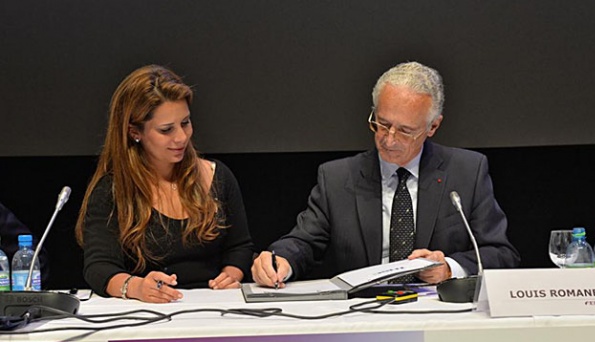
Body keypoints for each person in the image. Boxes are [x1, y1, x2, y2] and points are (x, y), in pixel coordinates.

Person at [252, 61, 519, 287]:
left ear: (433, 126)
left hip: (437, 312)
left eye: (405, 130)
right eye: (382, 124)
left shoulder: (467, 172)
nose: (389, 140)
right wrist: (279, 261)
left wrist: (449, 268)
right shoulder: (337, 178)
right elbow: (303, 243)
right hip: (362, 315)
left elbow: (501, 253)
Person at [76, 65, 253, 303]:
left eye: (186, 123)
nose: (181, 137)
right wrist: (137, 287)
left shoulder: (217, 176)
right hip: (146, 313)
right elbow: (99, 267)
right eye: (166, 130)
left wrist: (231, 275)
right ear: (134, 132)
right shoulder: (113, 190)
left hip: (215, 309)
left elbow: (240, 247)